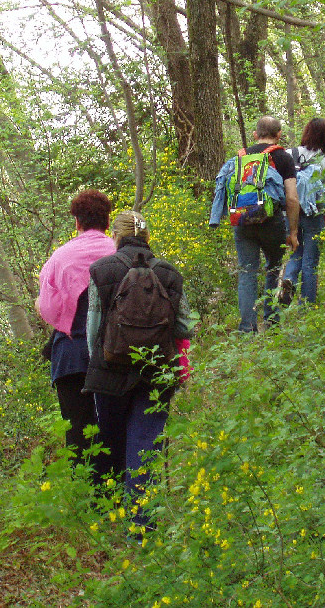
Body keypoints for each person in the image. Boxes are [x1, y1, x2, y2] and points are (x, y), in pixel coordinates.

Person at [84, 210, 196, 529]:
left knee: (111, 440)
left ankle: (109, 515)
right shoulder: (169, 273)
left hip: (110, 370)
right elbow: (185, 326)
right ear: (147, 236)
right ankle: (142, 527)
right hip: (158, 372)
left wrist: (98, 365)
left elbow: (93, 328)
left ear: (116, 237)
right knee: (145, 445)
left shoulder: (101, 270)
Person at [35, 190, 116, 463]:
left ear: (77, 222)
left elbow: (48, 309)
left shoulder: (59, 258)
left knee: (79, 439)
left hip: (71, 358)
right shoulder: (119, 252)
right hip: (114, 355)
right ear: (107, 220)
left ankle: (86, 502)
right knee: (114, 434)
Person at [210, 116, 300, 333]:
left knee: (247, 272)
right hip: (271, 221)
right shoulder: (283, 158)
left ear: (255, 135)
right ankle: (272, 321)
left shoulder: (239, 157)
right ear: (279, 134)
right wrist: (293, 231)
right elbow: (292, 199)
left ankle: (247, 329)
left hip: (242, 221)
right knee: (274, 267)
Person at [280, 117, 325, 305]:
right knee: (310, 261)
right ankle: (306, 306)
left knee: (295, 252)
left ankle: (289, 280)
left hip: (289, 212)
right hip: (314, 214)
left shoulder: (288, 154)